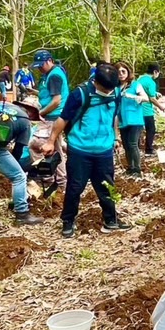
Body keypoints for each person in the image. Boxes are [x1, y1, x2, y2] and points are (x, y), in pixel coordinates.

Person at [49, 62, 131, 237]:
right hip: (80, 149)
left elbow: (113, 116)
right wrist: (51, 141)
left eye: (112, 88)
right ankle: (68, 221)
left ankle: (111, 220)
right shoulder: (80, 94)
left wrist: (115, 137)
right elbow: (62, 119)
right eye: (106, 89)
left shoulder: (116, 92)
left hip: (104, 150)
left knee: (107, 187)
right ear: (96, 82)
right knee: (75, 187)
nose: (109, 92)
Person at [114, 60, 147, 176]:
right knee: (126, 145)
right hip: (123, 121)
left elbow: (145, 98)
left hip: (135, 120)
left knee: (133, 144)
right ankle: (130, 167)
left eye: (123, 71)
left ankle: (137, 169)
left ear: (128, 72)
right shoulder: (116, 88)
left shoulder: (135, 85)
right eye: (118, 72)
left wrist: (132, 96)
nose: (121, 74)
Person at [136, 63, 165, 155]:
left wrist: (156, 93)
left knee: (138, 130)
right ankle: (149, 149)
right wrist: (160, 107)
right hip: (147, 110)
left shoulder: (140, 79)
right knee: (151, 129)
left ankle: (136, 148)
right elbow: (152, 99)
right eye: (158, 73)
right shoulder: (151, 82)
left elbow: (143, 90)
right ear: (155, 72)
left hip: (137, 108)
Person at [34, 50, 69, 122]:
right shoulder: (50, 73)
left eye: (41, 65)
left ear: (49, 61)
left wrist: (39, 113)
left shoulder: (54, 75)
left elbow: (56, 101)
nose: (39, 68)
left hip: (55, 114)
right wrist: (34, 92)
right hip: (52, 113)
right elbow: (49, 94)